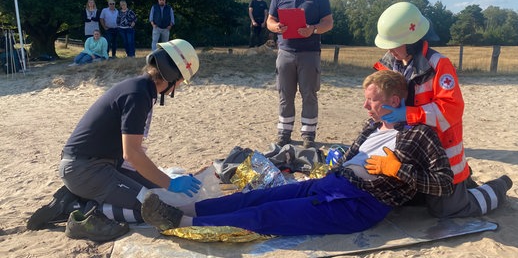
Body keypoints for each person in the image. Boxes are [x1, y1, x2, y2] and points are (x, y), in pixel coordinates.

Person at [140, 70, 454, 236]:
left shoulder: (420, 135)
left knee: (271, 216)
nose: (366, 106)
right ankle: (197, 211)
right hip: (333, 184)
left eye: (372, 101)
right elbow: (350, 157)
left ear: (396, 99)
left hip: (360, 204)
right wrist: (338, 162)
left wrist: (397, 169)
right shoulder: (372, 127)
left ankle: (183, 223)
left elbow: (445, 183)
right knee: (261, 197)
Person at [27, 39, 201, 241]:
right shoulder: (138, 95)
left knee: (154, 191)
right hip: (86, 169)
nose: (177, 87)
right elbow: (132, 153)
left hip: (98, 165)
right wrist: (169, 183)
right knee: (153, 209)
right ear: (174, 78)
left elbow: (130, 152)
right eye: (181, 82)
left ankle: (82, 196)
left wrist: (156, 181)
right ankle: (78, 209)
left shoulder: (141, 88)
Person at [372, 2, 511, 218]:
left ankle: (498, 187)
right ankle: (465, 182)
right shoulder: (388, 65)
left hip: (440, 156)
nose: (389, 49)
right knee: (404, 201)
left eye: (394, 43)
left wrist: (408, 114)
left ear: (412, 40)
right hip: (408, 150)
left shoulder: (439, 65)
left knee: (447, 209)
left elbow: (451, 109)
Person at [266, 0, 334, 148]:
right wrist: (276, 26)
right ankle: (284, 132)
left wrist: (312, 29)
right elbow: (269, 20)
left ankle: (308, 134)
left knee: (309, 93)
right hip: (285, 51)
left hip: (309, 52)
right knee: (284, 93)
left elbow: (328, 23)